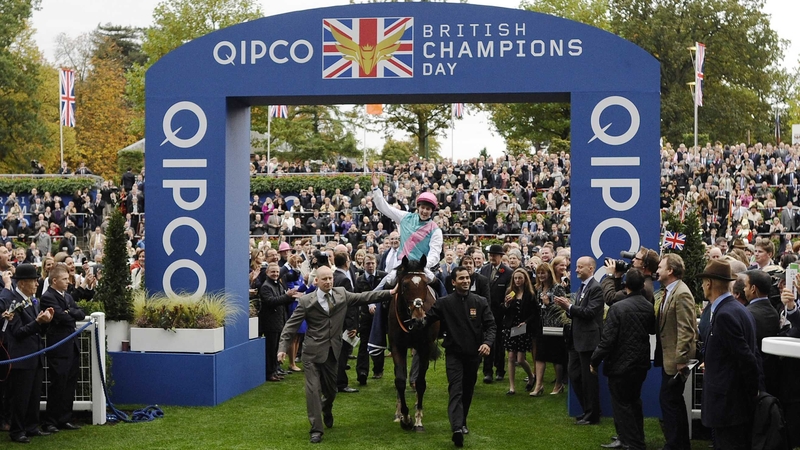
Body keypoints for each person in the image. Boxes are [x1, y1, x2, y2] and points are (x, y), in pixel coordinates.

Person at [277, 266, 394, 444]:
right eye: (324, 279)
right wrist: (282, 348)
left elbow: (364, 297)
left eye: (330, 278)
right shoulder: (306, 301)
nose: (329, 281)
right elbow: (290, 326)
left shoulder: (341, 294)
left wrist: (390, 292)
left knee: (331, 392)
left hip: (333, 352)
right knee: (313, 392)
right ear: (316, 281)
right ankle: (316, 429)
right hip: (311, 355)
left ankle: (326, 408)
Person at [412, 266, 495, 448]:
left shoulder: (480, 302)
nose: (465, 281)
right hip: (454, 354)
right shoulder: (444, 303)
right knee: (456, 389)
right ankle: (456, 428)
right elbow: (427, 320)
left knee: (468, 390)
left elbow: (491, 326)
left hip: (474, 354)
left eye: (467, 278)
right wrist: (418, 321)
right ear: (453, 282)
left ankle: (462, 421)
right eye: (462, 278)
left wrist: (487, 343)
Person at [699, 259, 761, 450]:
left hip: (728, 405)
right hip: (733, 403)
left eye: (703, 282)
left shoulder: (725, 314)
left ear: (709, 283)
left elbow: (747, 359)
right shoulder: (738, 309)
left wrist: (751, 394)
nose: (702, 286)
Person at [591, 268, 655, 450]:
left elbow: (607, 340)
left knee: (622, 405)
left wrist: (594, 360)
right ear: (643, 285)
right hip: (640, 364)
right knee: (634, 402)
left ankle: (633, 442)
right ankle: (632, 438)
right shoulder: (648, 307)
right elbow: (651, 330)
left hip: (621, 365)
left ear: (626, 285)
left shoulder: (618, 308)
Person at [5, 264, 54, 443]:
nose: (36, 284)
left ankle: (31, 426)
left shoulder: (33, 300)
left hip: (36, 354)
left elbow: (38, 329)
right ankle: (17, 430)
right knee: (21, 396)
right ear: (23, 283)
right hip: (22, 356)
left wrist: (46, 321)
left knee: (34, 394)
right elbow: (17, 332)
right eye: (33, 281)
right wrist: (37, 322)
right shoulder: (13, 303)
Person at [370, 172, 444, 293]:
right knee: (386, 284)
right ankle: (374, 309)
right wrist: (376, 189)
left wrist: (422, 265)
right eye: (423, 207)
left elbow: (435, 253)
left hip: (422, 268)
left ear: (432, 211)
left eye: (428, 209)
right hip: (403, 266)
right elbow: (385, 208)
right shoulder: (405, 217)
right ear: (418, 207)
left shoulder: (435, 230)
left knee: (440, 287)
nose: (425, 211)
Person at [654, 253, 697, 450]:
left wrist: (681, 359)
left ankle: (674, 444)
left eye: (661, 267)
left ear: (670, 270)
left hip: (676, 360)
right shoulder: (669, 291)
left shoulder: (682, 293)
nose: (657, 270)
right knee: (673, 400)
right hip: (668, 357)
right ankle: (680, 443)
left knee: (670, 401)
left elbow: (687, 329)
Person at [554, 256, 603, 425]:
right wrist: (568, 308)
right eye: (576, 267)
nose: (576, 270)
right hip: (576, 340)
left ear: (591, 268)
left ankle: (592, 414)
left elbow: (589, 313)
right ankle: (587, 410)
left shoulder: (596, 288)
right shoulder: (583, 287)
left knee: (588, 379)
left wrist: (569, 307)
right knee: (574, 375)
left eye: (580, 267)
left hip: (588, 340)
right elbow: (578, 312)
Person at [39, 264, 85, 432]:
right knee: (57, 384)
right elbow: (60, 317)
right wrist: (68, 313)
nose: (68, 282)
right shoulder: (48, 297)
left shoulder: (67, 296)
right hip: (58, 347)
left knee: (69, 384)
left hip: (71, 346)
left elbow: (79, 312)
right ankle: (50, 421)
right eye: (65, 279)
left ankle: (64, 418)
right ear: (55, 280)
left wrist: (68, 312)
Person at [259, 263, 302, 382]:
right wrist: (287, 296)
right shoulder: (266, 286)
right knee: (271, 350)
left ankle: (275, 370)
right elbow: (271, 301)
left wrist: (293, 296)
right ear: (267, 273)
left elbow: (283, 299)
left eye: (277, 272)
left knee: (277, 348)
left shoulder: (278, 284)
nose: (275, 274)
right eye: (273, 272)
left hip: (279, 321)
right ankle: (269, 373)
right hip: (270, 324)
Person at [741, 270, 780, 395]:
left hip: (754, 378)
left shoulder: (747, 313)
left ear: (753, 288)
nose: (744, 289)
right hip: (772, 375)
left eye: (745, 286)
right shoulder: (774, 312)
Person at [532, 262, 567, 396]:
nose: (541, 275)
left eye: (543, 273)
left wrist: (549, 304)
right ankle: (538, 385)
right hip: (542, 326)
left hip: (555, 327)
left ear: (549, 274)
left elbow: (563, 307)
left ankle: (559, 384)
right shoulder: (539, 289)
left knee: (556, 357)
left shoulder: (557, 288)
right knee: (540, 356)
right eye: (539, 273)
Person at [479, 244, 512, 383]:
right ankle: (487, 371)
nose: (491, 257)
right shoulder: (484, 269)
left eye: (494, 255)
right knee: (486, 340)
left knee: (499, 341)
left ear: (501, 256)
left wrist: (509, 298)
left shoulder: (508, 272)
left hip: (500, 311)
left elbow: (514, 289)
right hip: (486, 311)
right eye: (490, 254)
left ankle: (500, 369)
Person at [501, 268, 537, 395]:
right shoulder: (510, 292)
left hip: (522, 328)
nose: (517, 280)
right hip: (511, 327)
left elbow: (534, 313)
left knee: (521, 359)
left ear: (525, 279)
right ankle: (512, 387)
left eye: (520, 278)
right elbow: (504, 311)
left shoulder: (530, 294)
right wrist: (506, 304)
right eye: (515, 278)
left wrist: (526, 322)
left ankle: (531, 376)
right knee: (511, 357)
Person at [354, 254, 386, 385]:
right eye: (368, 263)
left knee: (379, 342)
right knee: (364, 343)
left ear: (376, 263)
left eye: (372, 263)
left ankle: (378, 369)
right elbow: (356, 299)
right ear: (363, 265)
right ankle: (362, 372)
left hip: (380, 316)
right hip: (365, 317)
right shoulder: (359, 280)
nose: (370, 266)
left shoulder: (383, 277)